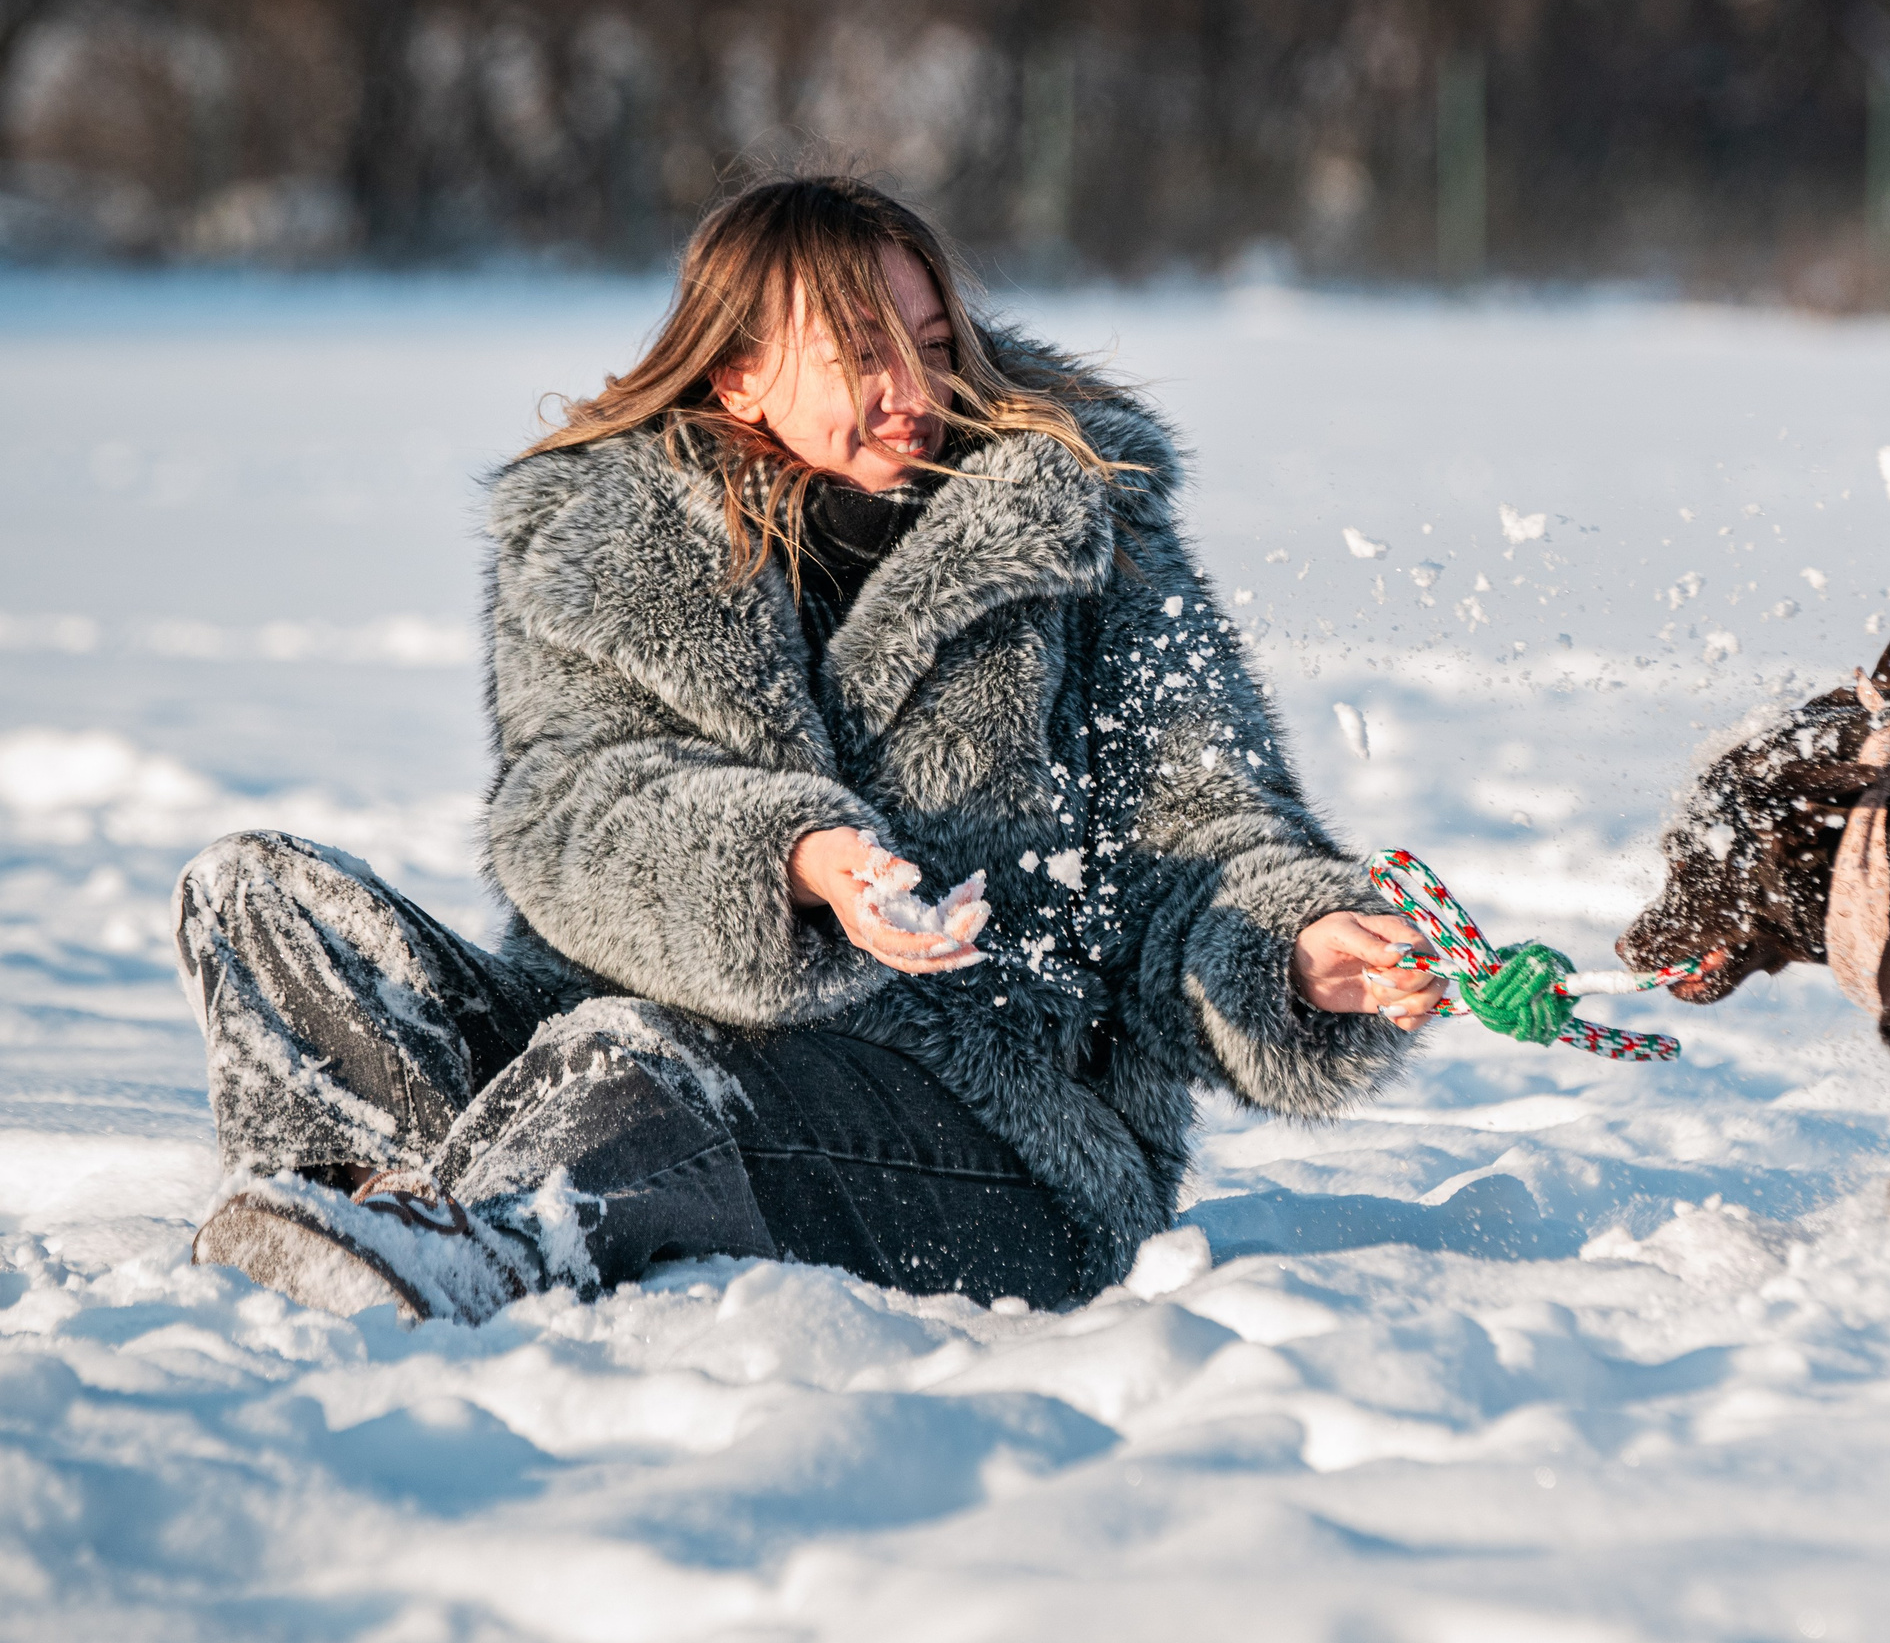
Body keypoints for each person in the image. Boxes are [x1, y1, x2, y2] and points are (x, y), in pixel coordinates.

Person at [177, 175, 1446, 1321]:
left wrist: (1294, 946)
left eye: (936, 347)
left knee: (629, 1061)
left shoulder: (1083, 540)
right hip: (629, 1041)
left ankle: (480, 1245)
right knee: (258, 891)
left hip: (992, 1137)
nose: (919, 391)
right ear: (736, 374)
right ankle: (348, 1207)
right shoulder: (600, 546)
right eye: (867, 355)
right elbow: (567, 815)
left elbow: (1203, 827)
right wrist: (788, 860)